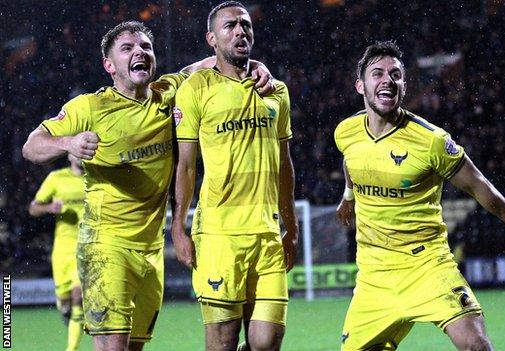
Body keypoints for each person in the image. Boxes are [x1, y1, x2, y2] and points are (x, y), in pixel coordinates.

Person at [22, 20, 274, 351]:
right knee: (113, 347)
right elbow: (31, 146)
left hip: (151, 251)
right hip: (106, 246)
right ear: (109, 66)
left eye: (146, 47)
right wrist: (67, 142)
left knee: (135, 346)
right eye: (127, 48)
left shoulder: (167, 92)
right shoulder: (89, 107)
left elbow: (215, 61)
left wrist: (256, 66)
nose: (140, 52)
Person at [334, 41, 505, 351]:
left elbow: (477, 185)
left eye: (395, 74)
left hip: (427, 265)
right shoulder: (346, 132)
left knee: (476, 346)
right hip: (373, 275)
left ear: (404, 85)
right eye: (377, 73)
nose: (387, 80)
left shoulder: (431, 141)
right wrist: (349, 194)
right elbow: (351, 159)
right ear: (360, 86)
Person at [171, 2, 298, 350]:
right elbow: (185, 165)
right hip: (219, 235)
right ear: (211, 38)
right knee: (223, 341)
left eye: (245, 25)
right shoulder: (195, 89)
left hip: (267, 233)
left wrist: (292, 227)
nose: (240, 31)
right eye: (230, 26)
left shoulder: (277, 91)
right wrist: (178, 225)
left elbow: (284, 165)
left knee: (267, 341)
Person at [28, 154, 85, 351]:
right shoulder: (56, 178)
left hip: (87, 248)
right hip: (62, 249)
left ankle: (71, 348)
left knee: (79, 296)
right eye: (78, 150)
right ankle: (64, 308)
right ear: (70, 154)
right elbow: (33, 208)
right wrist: (49, 207)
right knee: (65, 299)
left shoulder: (97, 178)